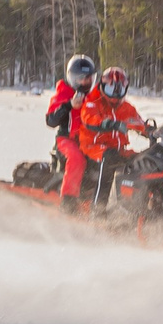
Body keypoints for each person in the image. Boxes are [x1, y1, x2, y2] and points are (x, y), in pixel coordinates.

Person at [69, 66, 144, 211]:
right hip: (93, 147)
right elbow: (90, 119)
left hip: (117, 148)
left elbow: (138, 122)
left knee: (142, 159)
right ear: (102, 86)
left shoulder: (127, 107)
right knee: (110, 158)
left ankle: (137, 207)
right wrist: (109, 124)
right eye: (111, 88)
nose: (115, 94)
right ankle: (98, 208)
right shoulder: (92, 101)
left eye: (119, 89)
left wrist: (151, 130)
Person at [44, 54, 99, 206]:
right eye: (81, 78)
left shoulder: (94, 97)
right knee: (77, 158)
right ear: (73, 78)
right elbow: (51, 120)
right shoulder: (63, 94)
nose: (85, 82)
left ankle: (100, 200)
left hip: (89, 141)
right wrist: (69, 105)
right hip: (66, 140)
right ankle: (68, 200)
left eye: (89, 78)